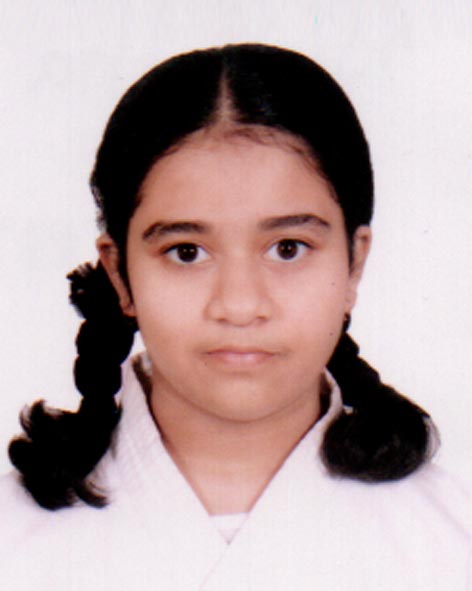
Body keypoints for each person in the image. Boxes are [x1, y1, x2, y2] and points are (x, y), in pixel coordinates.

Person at [1, 43, 469, 590]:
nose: (240, 306)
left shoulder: (452, 543)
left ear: (354, 263)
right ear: (120, 274)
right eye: (186, 252)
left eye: (288, 248)